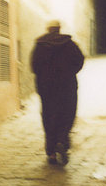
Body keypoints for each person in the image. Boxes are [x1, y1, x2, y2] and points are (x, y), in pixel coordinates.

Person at [30, 20, 84, 165]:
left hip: (47, 88)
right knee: (67, 114)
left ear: (48, 29)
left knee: (49, 116)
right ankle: (62, 141)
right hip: (67, 86)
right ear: (59, 29)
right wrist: (69, 72)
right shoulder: (69, 44)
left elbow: (34, 67)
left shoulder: (40, 45)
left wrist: (44, 77)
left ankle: (51, 153)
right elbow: (80, 60)